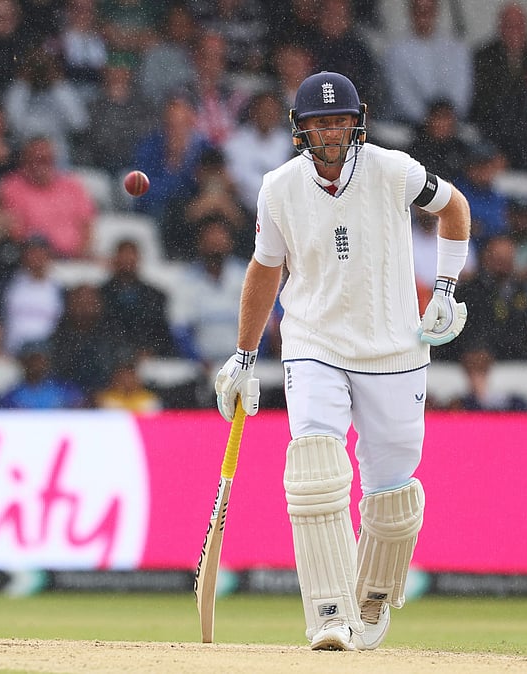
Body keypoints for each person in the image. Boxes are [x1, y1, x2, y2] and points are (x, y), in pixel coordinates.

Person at [213, 72, 471, 651]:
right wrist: (245, 354)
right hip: (314, 344)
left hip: (395, 348)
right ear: (299, 129)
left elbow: (455, 208)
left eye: (339, 120)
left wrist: (447, 289)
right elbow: (264, 268)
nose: (330, 132)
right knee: (314, 471)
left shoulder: (392, 169)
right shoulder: (278, 187)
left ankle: (372, 593)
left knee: (393, 496)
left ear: (359, 120)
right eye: (318, 122)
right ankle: (329, 613)